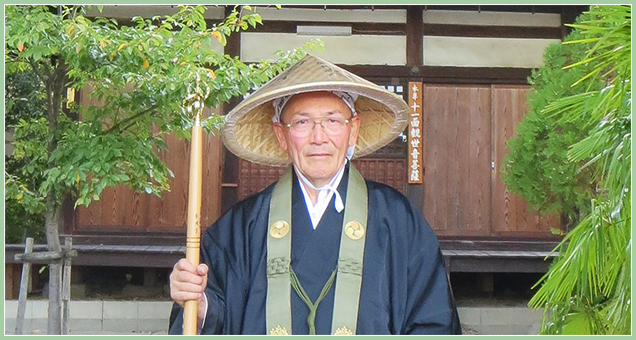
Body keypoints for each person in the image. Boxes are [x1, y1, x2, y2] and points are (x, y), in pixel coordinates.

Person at [168, 54, 461, 335]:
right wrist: (199, 303)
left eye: (333, 121)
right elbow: (216, 314)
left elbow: (433, 320)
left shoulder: (398, 220)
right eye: (302, 122)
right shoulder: (240, 228)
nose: (318, 137)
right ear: (281, 134)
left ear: (353, 130)